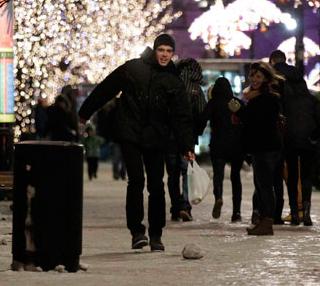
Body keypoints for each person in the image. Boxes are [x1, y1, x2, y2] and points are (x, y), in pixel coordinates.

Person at [78, 33, 195, 252]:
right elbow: (106, 89)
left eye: (169, 51)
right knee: (136, 181)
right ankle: (137, 232)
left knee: (156, 185)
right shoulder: (133, 69)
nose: (165, 55)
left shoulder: (173, 80)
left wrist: (186, 145)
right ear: (155, 50)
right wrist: (84, 114)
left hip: (157, 137)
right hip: (130, 133)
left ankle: (156, 234)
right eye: (161, 50)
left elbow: (181, 116)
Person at [269, 49, 320, 227]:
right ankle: (306, 211)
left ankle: (295, 213)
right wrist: (316, 139)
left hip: (289, 141)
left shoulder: (284, 101)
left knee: (291, 177)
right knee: (306, 177)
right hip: (308, 142)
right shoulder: (311, 100)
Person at [234, 61, 285, 236]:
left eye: (258, 76)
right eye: (252, 76)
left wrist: (240, 112)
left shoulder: (267, 98)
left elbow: (258, 123)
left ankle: (268, 221)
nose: (254, 79)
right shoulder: (254, 97)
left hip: (266, 147)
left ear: (265, 78)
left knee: (265, 185)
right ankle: (263, 219)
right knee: (261, 184)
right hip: (260, 147)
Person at [168, 58, 205, 222]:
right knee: (186, 172)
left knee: (172, 174)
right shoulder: (196, 89)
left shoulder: (171, 84)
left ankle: (175, 208)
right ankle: (185, 206)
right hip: (188, 137)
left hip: (169, 136)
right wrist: (197, 132)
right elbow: (202, 113)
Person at [204, 77, 245, 222]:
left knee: (218, 175)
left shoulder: (213, 103)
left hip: (218, 144)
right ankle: (237, 212)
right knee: (236, 178)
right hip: (237, 146)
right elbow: (246, 122)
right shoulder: (237, 103)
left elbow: (202, 120)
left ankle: (219, 196)